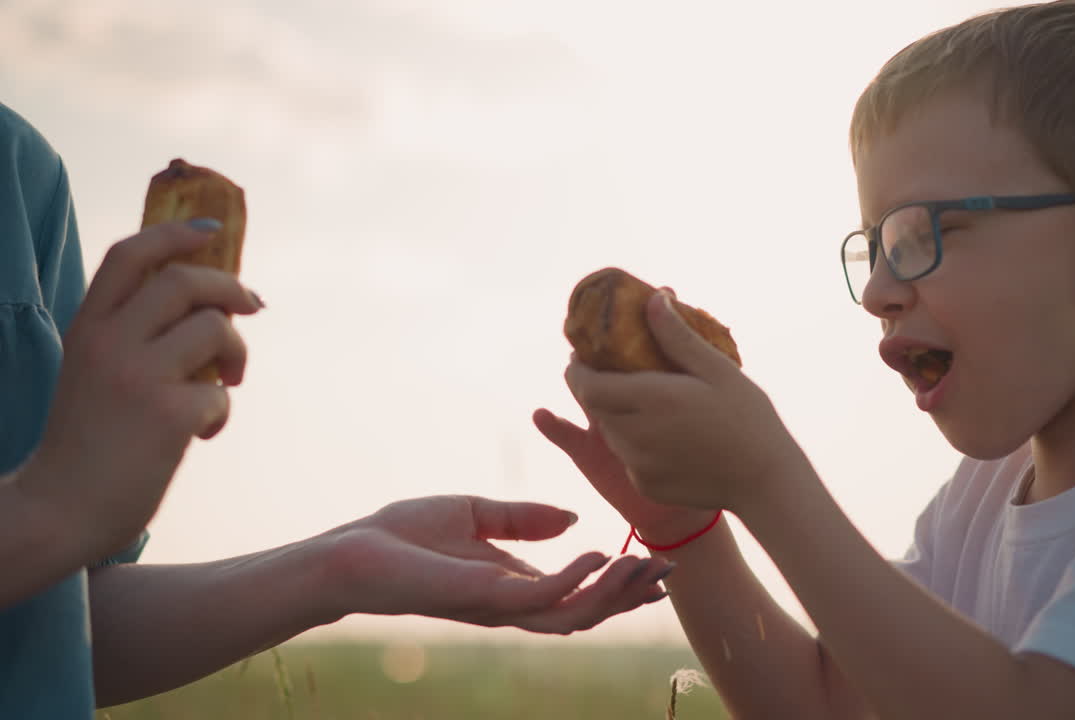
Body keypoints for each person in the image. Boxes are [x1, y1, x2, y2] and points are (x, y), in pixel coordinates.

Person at [535, 1, 1075, 718]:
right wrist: (684, 528)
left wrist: (768, 478)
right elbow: (828, 709)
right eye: (876, 249)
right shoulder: (981, 495)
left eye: (922, 235)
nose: (879, 292)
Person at [0, 101, 675, 718]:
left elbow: (51, 636)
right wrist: (52, 512)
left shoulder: (23, 175)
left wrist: (340, 566)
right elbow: (50, 528)